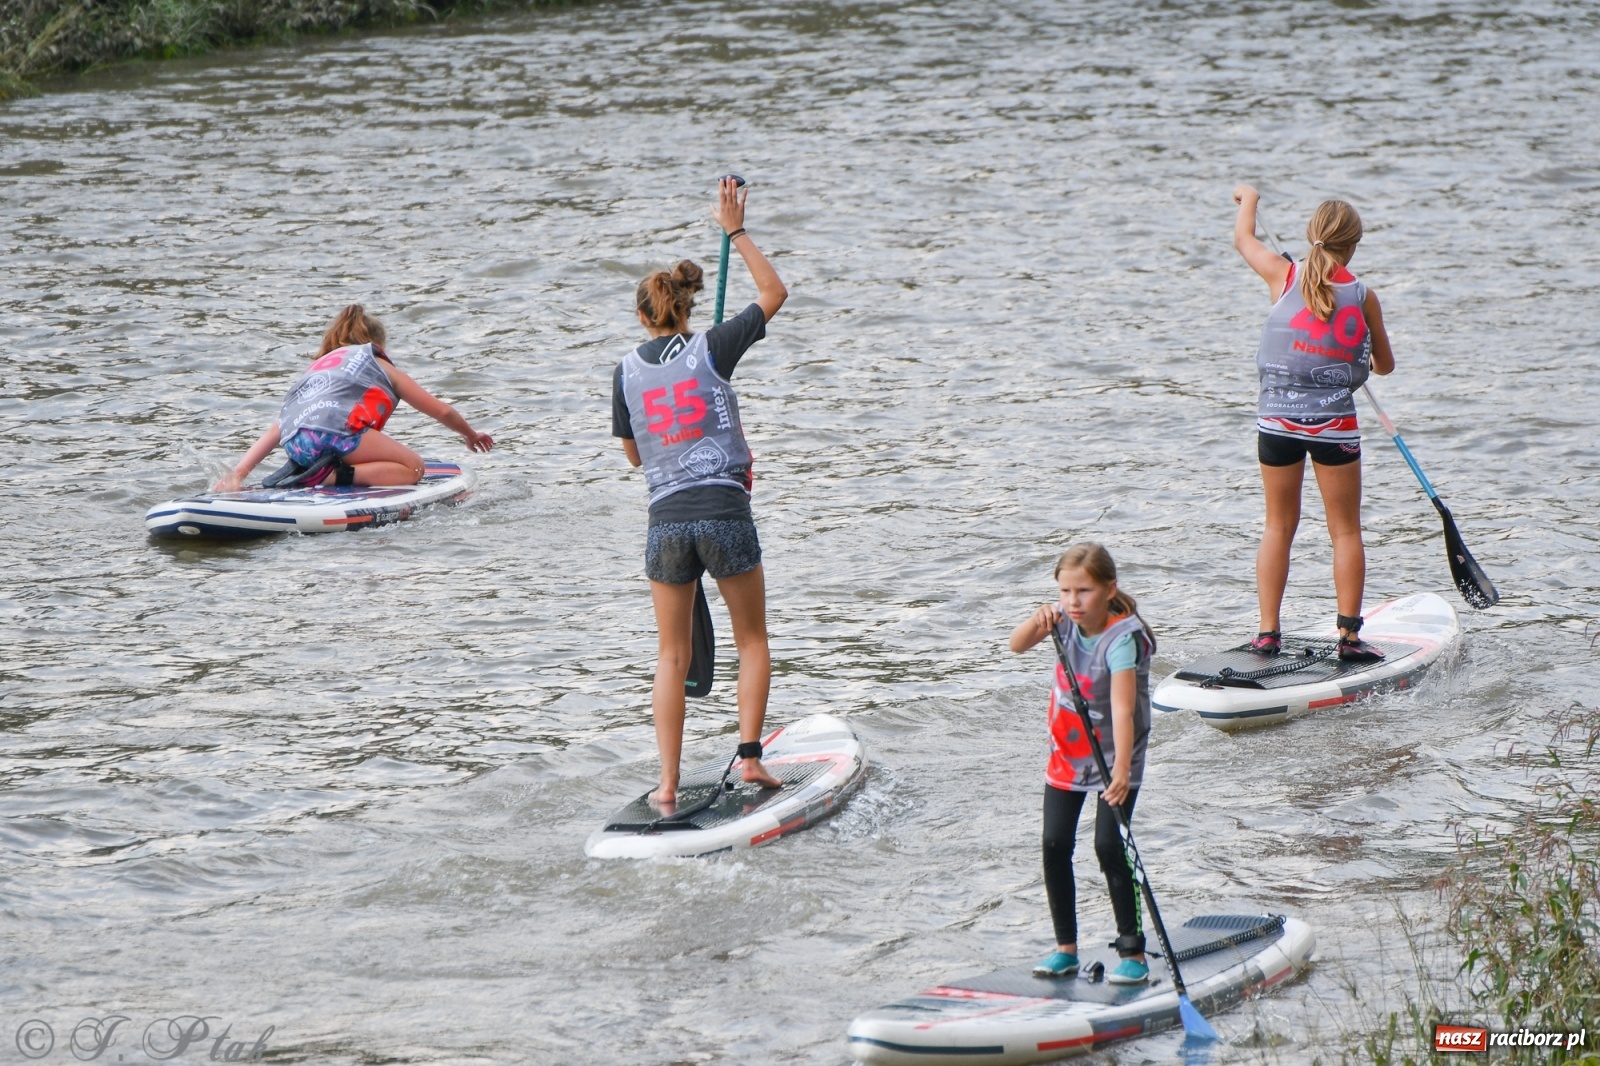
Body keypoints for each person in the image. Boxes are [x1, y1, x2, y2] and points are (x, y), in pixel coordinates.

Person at [612, 177, 788, 805]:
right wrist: (735, 231)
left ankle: (666, 784)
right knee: (752, 640)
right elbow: (774, 293)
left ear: (643, 317)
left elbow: (636, 455)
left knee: (671, 656)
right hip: (723, 511)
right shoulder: (713, 346)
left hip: (665, 521)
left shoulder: (625, 370)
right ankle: (750, 760)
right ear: (686, 309)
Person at [1232, 186, 1396, 662]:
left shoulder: (1284, 275)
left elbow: (1243, 239)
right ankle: (1348, 637)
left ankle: (1267, 633)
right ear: (1354, 244)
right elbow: (1384, 366)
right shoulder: (1363, 296)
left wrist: (1249, 199)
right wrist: (1357, 353)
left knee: (1278, 526)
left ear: (1312, 236)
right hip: (1333, 427)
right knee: (1344, 531)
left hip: (1277, 424)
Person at [1009, 542, 1155, 986]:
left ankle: (1133, 953)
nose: (1073, 601)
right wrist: (1038, 618)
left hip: (1116, 756)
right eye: (1065, 591)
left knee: (1109, 847)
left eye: (1084, 591)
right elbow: (1016, 646)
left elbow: (1123, 710)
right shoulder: (1061, 620)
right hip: (1067, 755)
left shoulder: (1122, 639)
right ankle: (1065, 950)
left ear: (1109, 590)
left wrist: (1123, 771)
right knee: (1054, 844)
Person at [213, 305, 493, 491]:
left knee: (340, 442)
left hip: (296, 445)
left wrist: (239, 474)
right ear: (377, 344)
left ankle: (313, 469)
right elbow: (442, 411)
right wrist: (470, 434)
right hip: (335, 438)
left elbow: (278, 427)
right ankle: (329, 476)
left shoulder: (318, 369)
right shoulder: (378, 364)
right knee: (414, 467)